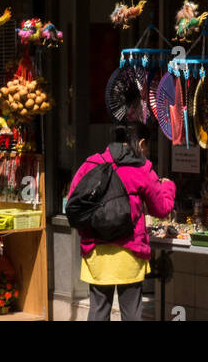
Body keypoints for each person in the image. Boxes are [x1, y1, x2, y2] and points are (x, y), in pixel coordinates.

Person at [68, 120, 175, 322]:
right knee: (131, 313)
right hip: (130, 252)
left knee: (98, 311)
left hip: (96, 252)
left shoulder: (90, 163)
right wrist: (168, 187)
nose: (146, 152)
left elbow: (74, 202)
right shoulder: (142, 168)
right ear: (141, 143)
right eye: (146, 147)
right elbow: (162, 209)